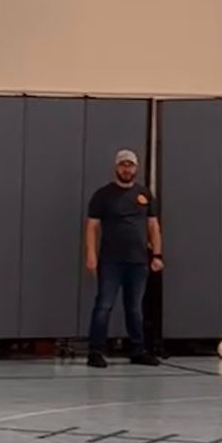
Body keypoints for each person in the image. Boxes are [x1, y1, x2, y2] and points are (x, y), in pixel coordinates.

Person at [84, 147, 162, 367]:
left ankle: (137, 350)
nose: (126, 169)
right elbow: (92, 227)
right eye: (123, 165)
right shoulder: (103, 195)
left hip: (138, 261)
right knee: (104, 305)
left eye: (130, 165)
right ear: (116, 167)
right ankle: (95, 351)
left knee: (135, 308)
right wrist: (91, 254)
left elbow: (153, 226)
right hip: (111, 260)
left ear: (136, 168)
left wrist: (157, 254)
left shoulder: (145, 195)